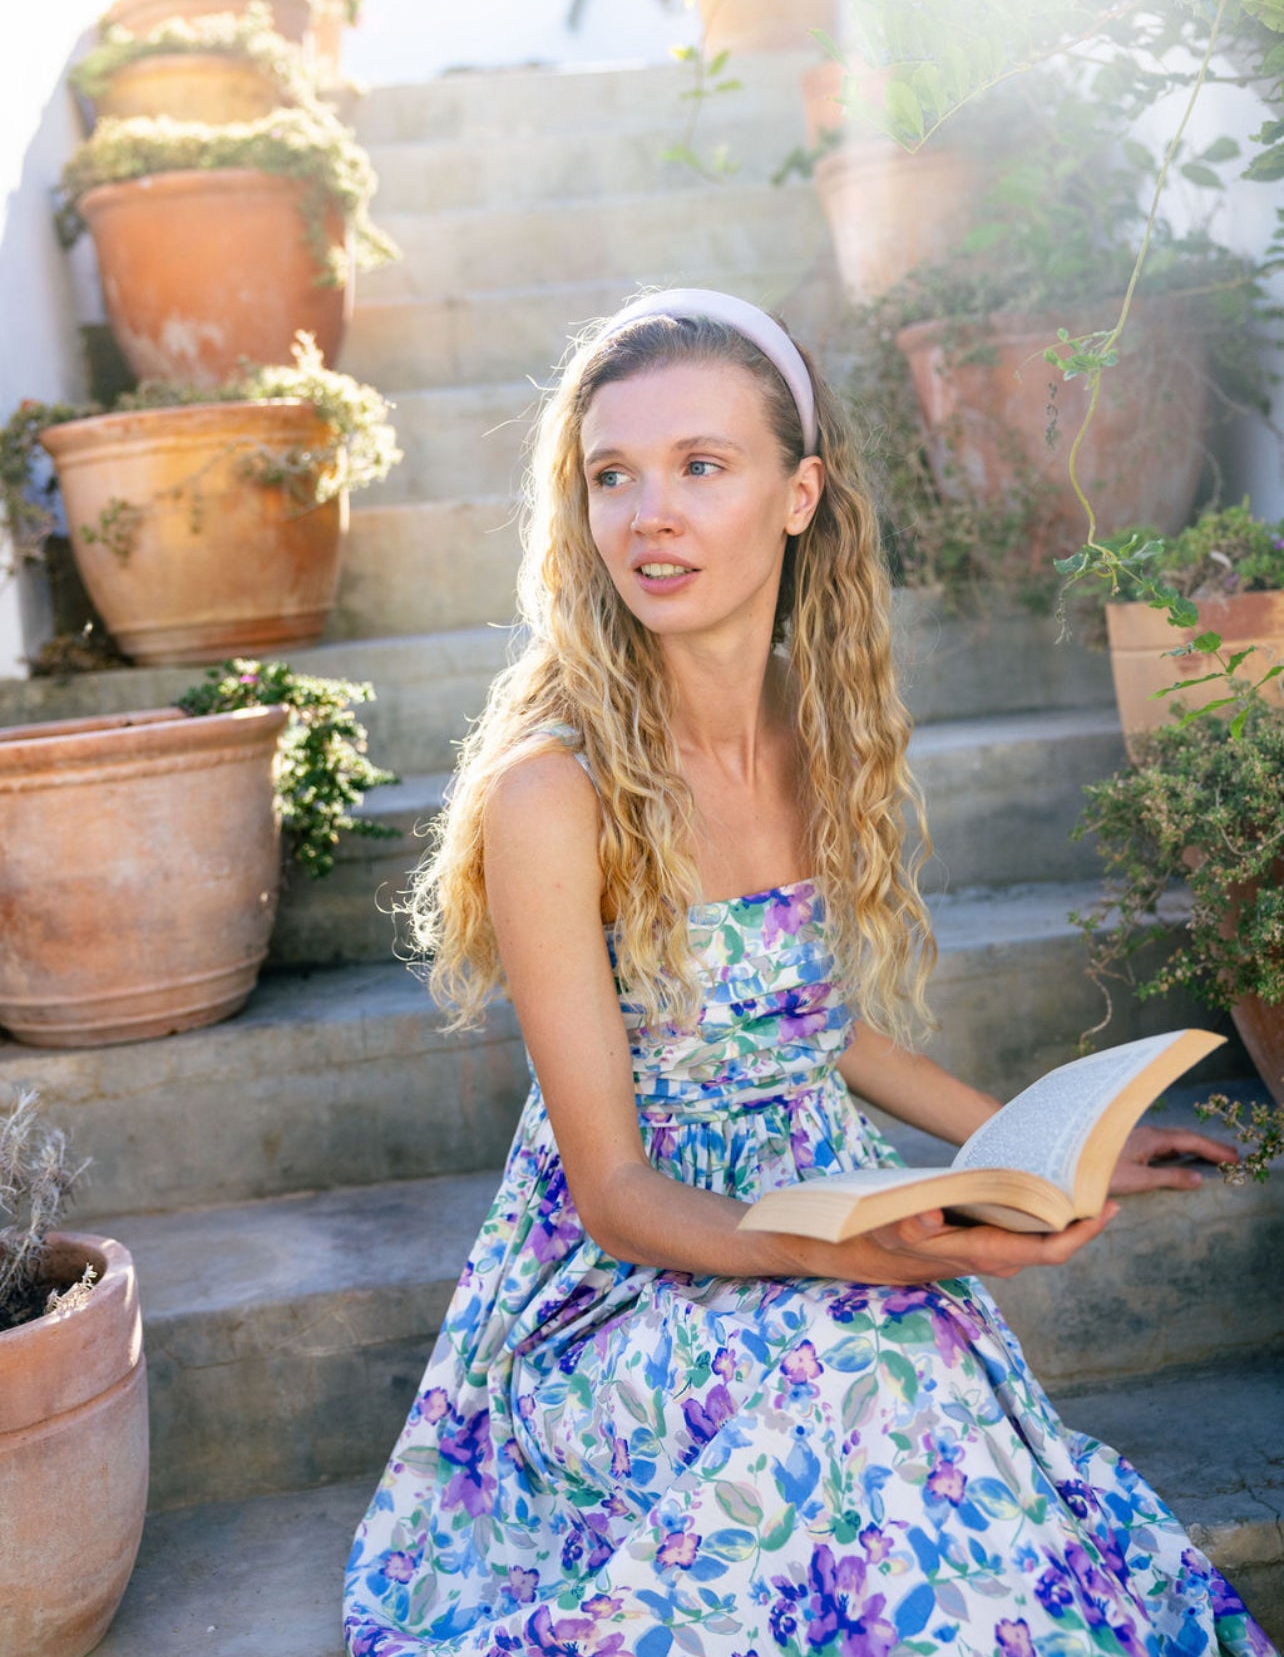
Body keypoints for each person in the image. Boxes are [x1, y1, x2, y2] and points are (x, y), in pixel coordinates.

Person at [344, 289, 1274, 1657]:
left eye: (700, 466)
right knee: (869, 1369)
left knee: (928, 1392)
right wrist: (851, 1250)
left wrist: (1036, 1149)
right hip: (638, 1264)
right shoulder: (554, 791)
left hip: (822, 1188)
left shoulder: (808, 720)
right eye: (613, 475)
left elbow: (813, 1025)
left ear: (799, 492)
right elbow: (612, 1194)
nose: (647, 513)